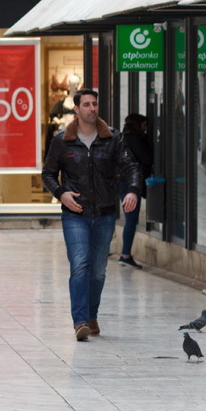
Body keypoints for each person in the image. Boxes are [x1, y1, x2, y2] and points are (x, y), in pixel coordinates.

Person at [42, 89, 143, 341]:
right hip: (75, 213)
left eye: (95, 104)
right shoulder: (61, 140)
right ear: (76, 110)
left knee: (98, 270)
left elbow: (131, 166)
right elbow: (47, 174)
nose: (92, 108)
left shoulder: (113, 138)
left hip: (105, 213)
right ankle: (80, 321)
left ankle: (91, 315)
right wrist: (61, 193)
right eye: (86, 104)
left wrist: (131, 191)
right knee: (80, 265)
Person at [118, 113, 153, 269]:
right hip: (130, 183)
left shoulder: (122, 136)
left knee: (128, 218)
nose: (146, 129)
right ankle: (125, 255)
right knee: (131, 219)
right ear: (139, 125)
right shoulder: (135, 138)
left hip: (121, 182)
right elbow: (147, 159)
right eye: (144, 125)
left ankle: (123, 254)